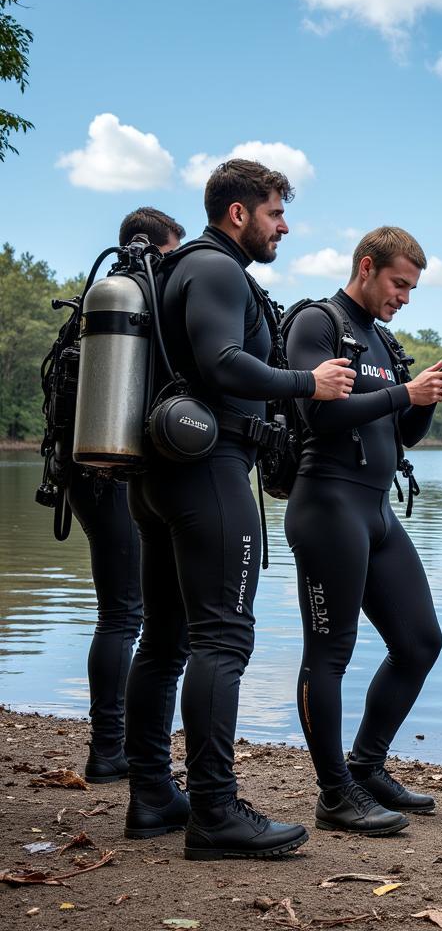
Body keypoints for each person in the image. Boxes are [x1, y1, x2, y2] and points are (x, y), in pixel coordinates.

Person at [122, 159, 355, 858]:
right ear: (238, 213)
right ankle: (217, 812)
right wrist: (306, 382)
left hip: (162, 476)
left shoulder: (179, 269)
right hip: (210, 471)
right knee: (223, 639)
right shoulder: (218, 270)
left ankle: (152, 796)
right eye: (277, 212)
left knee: (164, 642)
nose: (283, 225)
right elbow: (223, 361)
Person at [283, 226, 442, 835]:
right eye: (399, 284)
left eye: (412, 288)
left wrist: (427, 396)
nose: (405, 298)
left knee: (420, 642)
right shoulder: (317, 322)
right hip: (328, 505)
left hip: (377, 512)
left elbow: (403, 435)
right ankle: (334, 794)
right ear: (367, 266)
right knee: (330, 654)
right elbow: (316, 411)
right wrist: (402, 394)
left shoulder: (383, 342)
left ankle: (365, 765)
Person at [69, 207, 184, 784]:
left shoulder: (101, 300)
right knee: (124, 612)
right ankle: (108, 747)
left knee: (119, 610)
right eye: (173, 251)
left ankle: (113, 742)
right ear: (151, 246)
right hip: (112, 470)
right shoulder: (138, 305)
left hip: (81, 472)